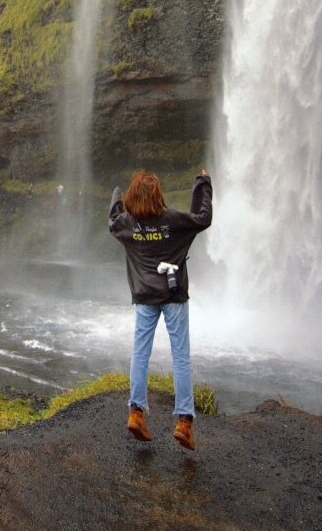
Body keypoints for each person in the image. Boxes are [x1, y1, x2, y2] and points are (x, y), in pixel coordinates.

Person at [109, 168, 212, 450]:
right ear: (158, 195)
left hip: (144, 296)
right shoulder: (173, 221)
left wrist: (117, 196)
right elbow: (202, 219)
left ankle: (136, 414)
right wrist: (202, 184)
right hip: (174, 295)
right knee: (180, 357)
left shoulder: (127, 225)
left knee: (140, 354)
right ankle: (184, 422)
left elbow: (113, 221)